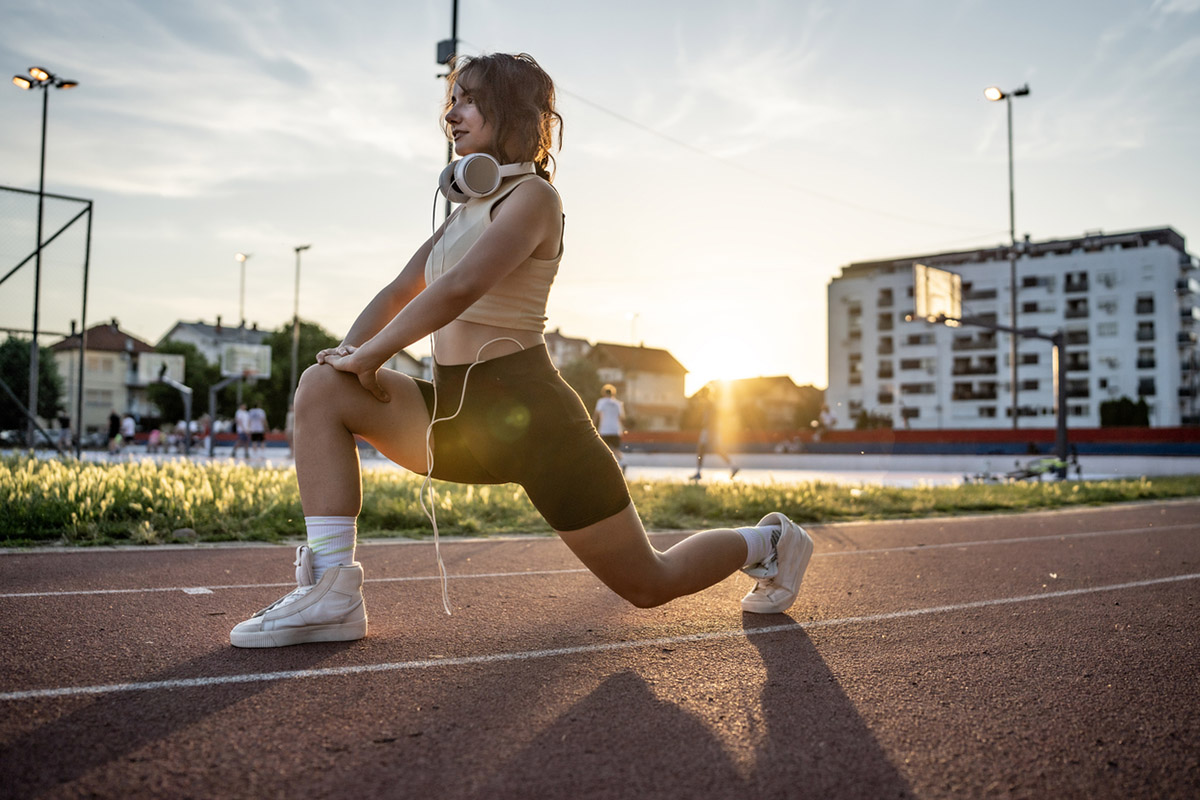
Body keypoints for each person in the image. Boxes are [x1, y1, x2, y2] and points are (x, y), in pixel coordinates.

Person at [229, 53, 813, 648]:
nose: (451, 114)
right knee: (322, 386)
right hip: (455, 419)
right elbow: (402, 289)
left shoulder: (533, 199)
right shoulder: (466, 209)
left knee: (649, 583)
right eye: (451, 101)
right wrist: (346, 354)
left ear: (511, 112)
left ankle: (768, 542)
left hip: (534, 421)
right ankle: (332, 592)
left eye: (469, 99)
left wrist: (371, 356)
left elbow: (458, 289)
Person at [692, 385, 739, 481]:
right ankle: (733, 466)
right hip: (712, 429)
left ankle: (698, 472)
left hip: (710, 430)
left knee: (703, 449)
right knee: (714, 449)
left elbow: (712, 419)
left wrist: (710, 432)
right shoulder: (709, 404)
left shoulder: (710, 404)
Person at [593, 384, 626, 473]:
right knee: (616, 449)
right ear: (613, 393)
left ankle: (605, 468)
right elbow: (622, 418)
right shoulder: (618, 403)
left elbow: (596, 415)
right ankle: (623, 463)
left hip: (605, 430)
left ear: (604, 393)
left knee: (604, 449)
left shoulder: (601, 402)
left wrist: (593, 426)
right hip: (615, 430)